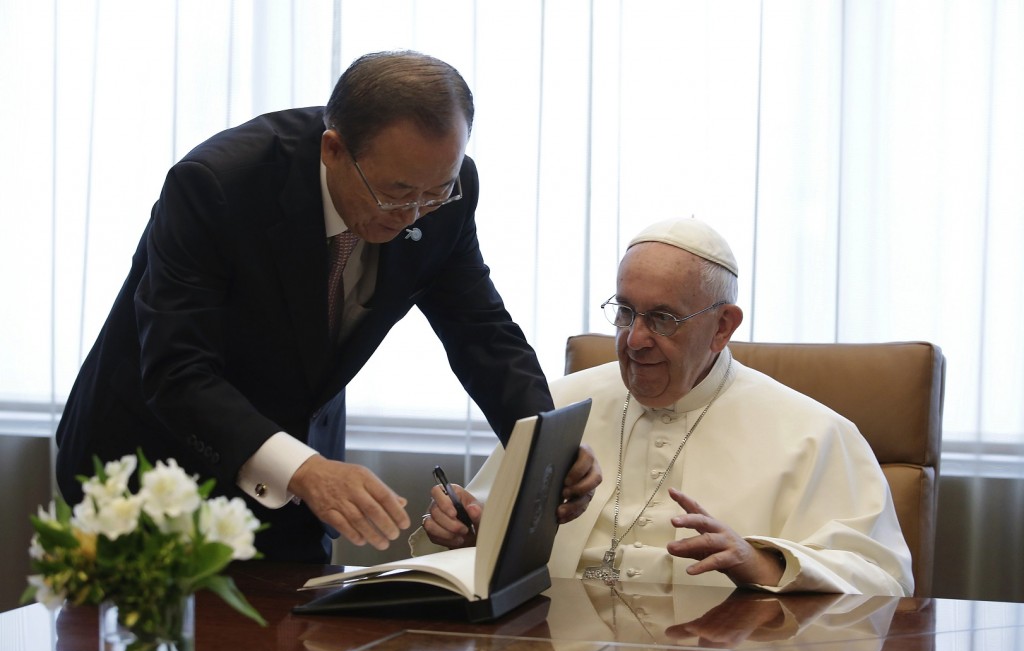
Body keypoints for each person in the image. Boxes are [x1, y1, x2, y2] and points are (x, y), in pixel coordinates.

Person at [56, 50, 599, 563]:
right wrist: (304, 468)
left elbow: (480, 330)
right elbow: (179, 369)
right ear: (333, 150)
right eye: (395, 193)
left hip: (298, 480)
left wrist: (544, 450)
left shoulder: (444, 193)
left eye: (435, 193)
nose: (413, 214)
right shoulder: (219, 185)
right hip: (152, 469)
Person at [417, 217, 913, 596]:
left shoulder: (815, 432)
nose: (634, 340)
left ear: (722, 326)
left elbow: (883, 579)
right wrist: (470, 533)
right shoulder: (560, 402)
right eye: (626, 311)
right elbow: (488, 545)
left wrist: (761, 562)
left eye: (662, 319)